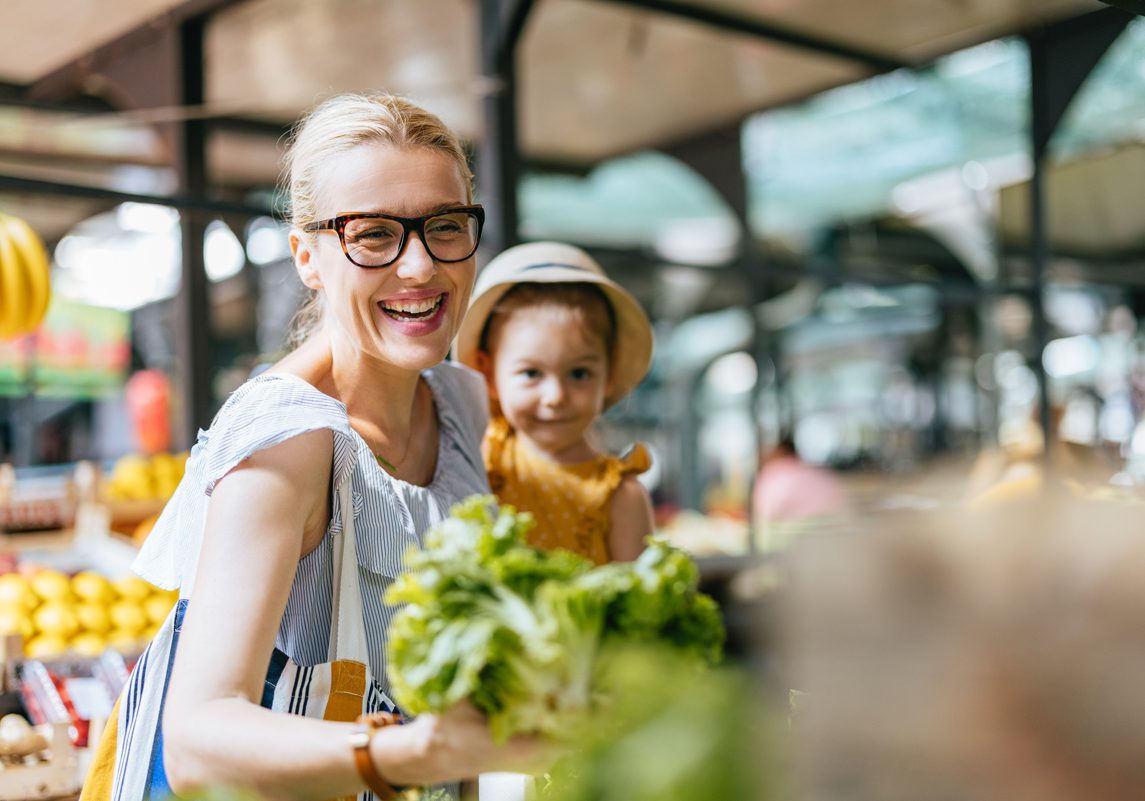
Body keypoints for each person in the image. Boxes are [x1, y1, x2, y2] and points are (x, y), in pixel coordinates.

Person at [81, 93, 545, 801]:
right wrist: (412, 749)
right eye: (373, 234)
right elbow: (199, 736)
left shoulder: (462, 402)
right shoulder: (289, 437)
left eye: (445, 226)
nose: (419, 265)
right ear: (307, 256)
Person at [453, 242, 655, 565]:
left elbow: (639, 609)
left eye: (579, 373)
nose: (555, 396)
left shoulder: (621, 497)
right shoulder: (479, 458)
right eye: (531, 373)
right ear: (488, 373)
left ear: (610, 375)